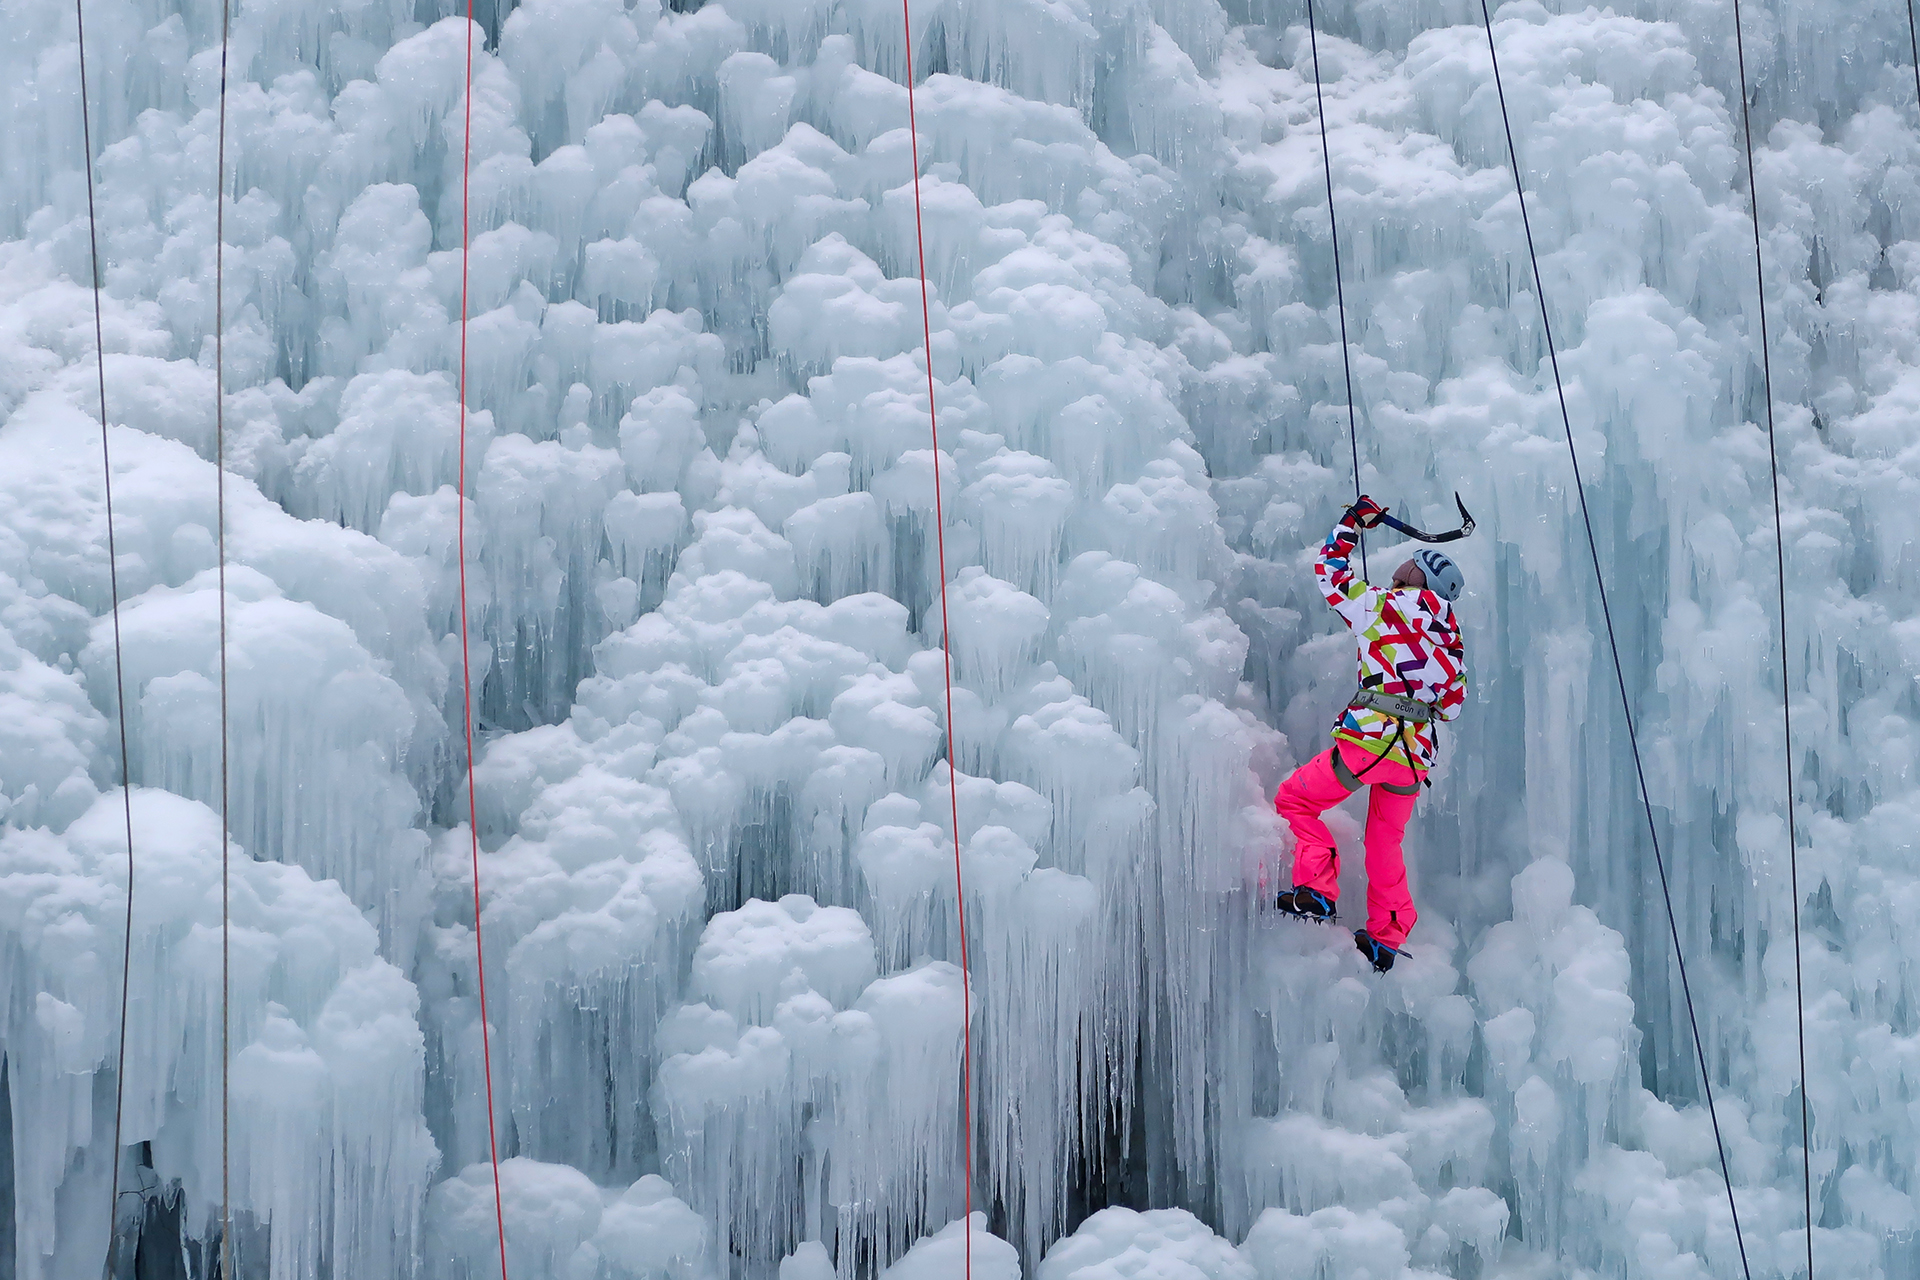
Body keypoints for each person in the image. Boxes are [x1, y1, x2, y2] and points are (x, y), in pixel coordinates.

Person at [1274, 495, 1466, 972]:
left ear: (1421, 575)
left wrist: (1354, 521)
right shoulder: (1450, 638)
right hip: (1412, 757)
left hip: (1368, 740)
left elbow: (1331, 573)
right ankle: (1387, 935)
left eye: (1414, 561)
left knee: (1296, 800)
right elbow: (1452, 706)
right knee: (1384, 842)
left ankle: (1316, 889)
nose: (1404, 563)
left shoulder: (1382, 606)